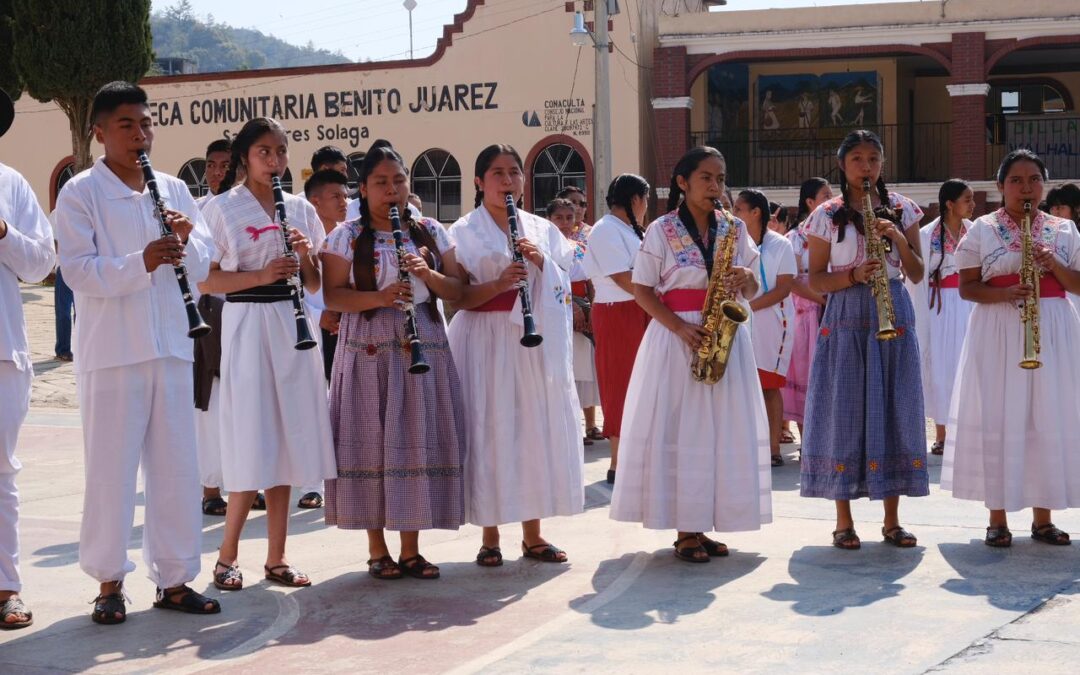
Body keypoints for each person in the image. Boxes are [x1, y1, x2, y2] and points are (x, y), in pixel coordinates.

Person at [54, 81, 220, 623]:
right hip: (113, 353)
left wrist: (189, 239)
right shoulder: (80, 192)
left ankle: (174, 581)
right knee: (111, 472)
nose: (140, 134)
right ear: (98, 131)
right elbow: (77, 271)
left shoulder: (172, 187)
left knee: (176, 470)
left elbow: (202, 267)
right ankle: (108, 583)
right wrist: (141, 261)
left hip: (172, 345)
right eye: (127, 125)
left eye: (146, 124)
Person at [610, 146, 771, 563]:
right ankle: (684, 528)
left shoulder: (733, 228)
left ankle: (702, 523)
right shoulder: (661, 230)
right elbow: (642, 290)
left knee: (718, 431)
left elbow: (754, 290)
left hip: (724, 337)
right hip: (677, 337)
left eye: (720, 177)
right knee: (681, 431)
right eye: (706, 177)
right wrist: (679, 327)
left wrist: (748, 277)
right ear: (682, 183)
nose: (715, 186)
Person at [201, 117, 336, 591]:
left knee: (288, 439)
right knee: (251, 437)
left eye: (281, 151)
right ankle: (226, 556)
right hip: (247, 323)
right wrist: (260, 276)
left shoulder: (300, 209)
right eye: (265, 152)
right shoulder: (221, 208)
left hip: (294, 326)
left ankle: (277, 557)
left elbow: (318, 283)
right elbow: (207, 280)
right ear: (245, 156)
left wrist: (305, 259)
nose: (275, 161)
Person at [321, 143, 466, 580]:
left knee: (416, 437)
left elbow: (458, 287)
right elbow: (333, 296)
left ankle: (411, 548)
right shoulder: (345, 235)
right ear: (362, 189)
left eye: (398, 181)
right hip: (367, 343)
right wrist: (380, 297)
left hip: (423, 336)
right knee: (370, 440)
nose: (391, 191)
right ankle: (376, 547)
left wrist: (427, 273)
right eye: (380, 183)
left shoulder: (431, 231)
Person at [448, 144, 582, 566]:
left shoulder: (541, 228)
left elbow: (571, 274)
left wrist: (542, 262)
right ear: (479, 181)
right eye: (498, 173)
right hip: (483, 337)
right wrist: (500, 281)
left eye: (514, 173)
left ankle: (534, 533)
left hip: (532, 339)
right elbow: (457, 293)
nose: (508, 181)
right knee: (488, 427)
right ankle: (490, 536)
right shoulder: (462, 230)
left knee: (530, 429)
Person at [943, 150, 1080, 547]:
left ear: (1044, 185)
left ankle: (1043, 518)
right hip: (1000, 329)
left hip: (1053, 329)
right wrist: (1003, 295)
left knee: (1045, 417)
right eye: (1016, 180)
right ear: (1001, 186)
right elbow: (967, 288)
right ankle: (997, 517)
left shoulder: (1064, 230)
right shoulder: (982, 229)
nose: (1026, 187)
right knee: (1000, 416)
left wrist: (1052, 263)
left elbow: (1077, 284)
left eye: (1034, 179)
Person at [801, 129, 927, 551]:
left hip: (893, 309)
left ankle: (892, 520)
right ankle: (843, 521)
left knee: (895, 408)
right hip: (847, 314)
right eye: (856, 158)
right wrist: (852, 275)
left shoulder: (903, 209)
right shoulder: (826, 214)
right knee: (844, 410)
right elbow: (815, 277)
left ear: (882, 163)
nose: (866, 166)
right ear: (842, 165)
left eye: (873, 158)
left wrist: (895, 238)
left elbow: (917, 272)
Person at [0, 88, 56, 630]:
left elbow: (42, 263)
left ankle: (5, 587)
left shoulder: (10, 183)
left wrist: (2, 231)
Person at [191, 138, 267, 517]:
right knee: (212, 402)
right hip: (209, 316)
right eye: (211, 164)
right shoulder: (198, 210)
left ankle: (245, 483)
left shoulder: (258, 209)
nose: (217, 172)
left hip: (249, 315)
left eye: (225, 165)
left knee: (245, 404)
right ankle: (209, 488)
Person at [583, 174, 651, 485]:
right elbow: (624, 278)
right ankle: (618, 462)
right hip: (618, 311)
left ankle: (638, 458)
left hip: (639, 309)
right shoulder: (606, 229)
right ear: (636, 200)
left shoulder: (629, 231)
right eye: (645, 200)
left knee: (643, 385)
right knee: (621, 383)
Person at [908, 179, 975, 456]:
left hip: (969, 303)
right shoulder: (927, 235)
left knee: (968, 367)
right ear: (950, 204)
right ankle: (942, 434)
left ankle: (968, 433)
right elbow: (918, 279)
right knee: (941, 368)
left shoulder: (976, 232)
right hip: (939, 308)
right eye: (967, 200)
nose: (972, 205)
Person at [734, 189, 796, 466]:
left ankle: (772, 449)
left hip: (773, 322)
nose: (734, 214)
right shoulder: (735, 242)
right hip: (741, 323)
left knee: (769, 386)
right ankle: (747, 447)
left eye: (739, 209)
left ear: (755, 212)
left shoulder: (780, 244)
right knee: (743, 385)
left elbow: (784, 288)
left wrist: (749, 308)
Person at [547, 197, 601, 447]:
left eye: (569, 217)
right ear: (549, 219)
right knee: (563, 370)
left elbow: (588, 277)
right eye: (559, 218)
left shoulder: (579, 244)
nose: (565, 223)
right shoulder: (544, 245)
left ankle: (589, 423)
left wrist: (590, 308)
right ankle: (566, 426)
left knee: (583, 369)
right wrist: (573, 309)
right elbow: (555, 281)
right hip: (559, 309)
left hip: (582, 307)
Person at [781, 178, 831, 446]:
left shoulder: (837, 231)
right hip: (807, 314)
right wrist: (824, 299)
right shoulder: (795, 238)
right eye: (825, 196)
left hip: (832, 309)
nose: (830, 200)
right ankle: (807, 443)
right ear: (810, 202)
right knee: (805, 375)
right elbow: (792, 281)